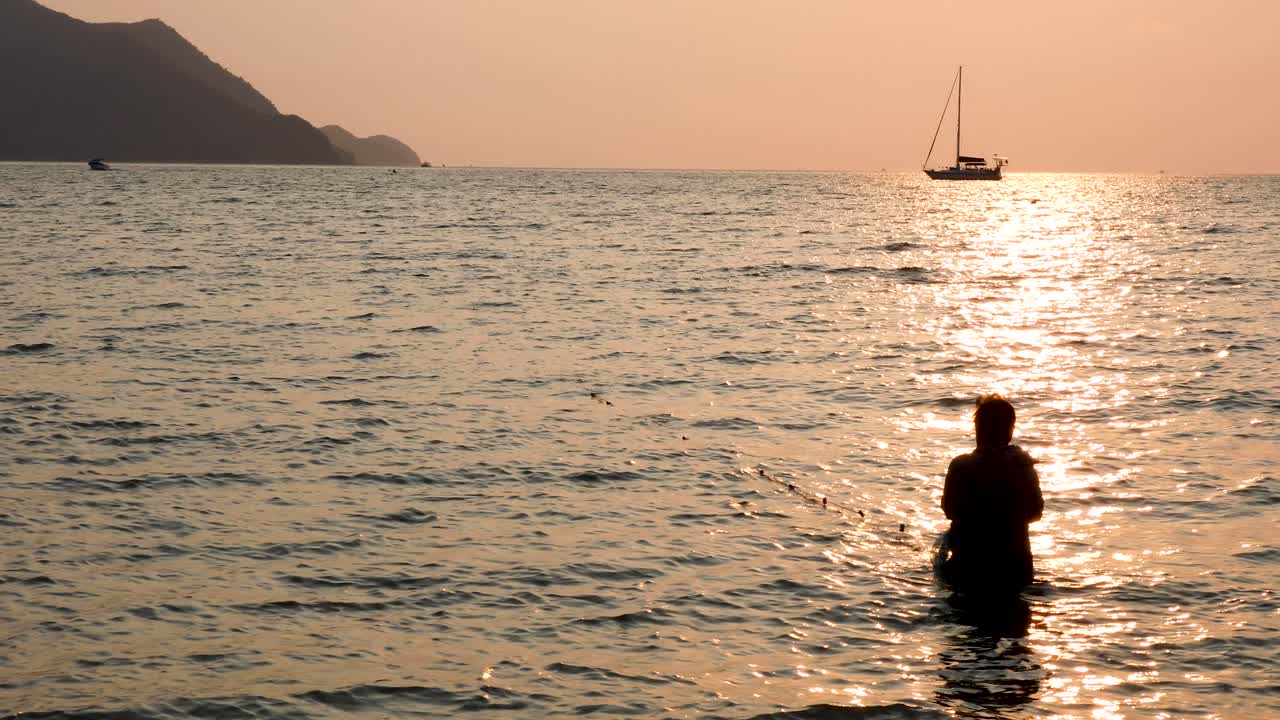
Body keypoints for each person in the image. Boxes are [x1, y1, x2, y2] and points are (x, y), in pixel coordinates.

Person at [940, 394, 1043, 595]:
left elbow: (950, 511)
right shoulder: (1023, 465)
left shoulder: (961, 466)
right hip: (1015, 566)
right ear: (1010, 430)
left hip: (969, 566)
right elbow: (1036, 513)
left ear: (978, 428)